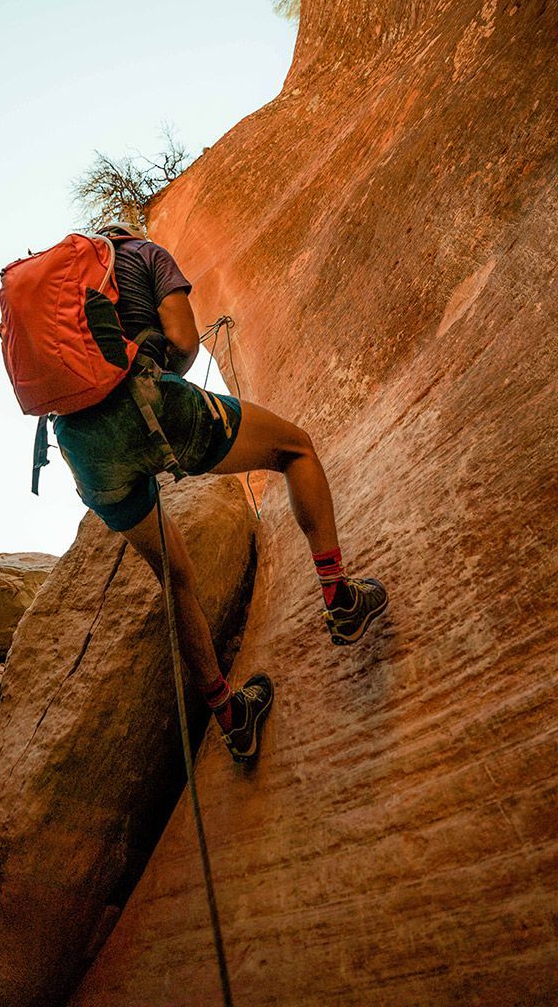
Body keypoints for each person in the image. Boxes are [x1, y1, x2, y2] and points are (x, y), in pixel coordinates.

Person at [53, 221, 387, 763]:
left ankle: (230, 715)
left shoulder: (67, 302)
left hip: (81, 449)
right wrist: (166, 392)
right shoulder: (146, 254)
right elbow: (185, 343)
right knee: (295, 449)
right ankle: (340, 596)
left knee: (175, 577)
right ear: (125, 234)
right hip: (148, 402)